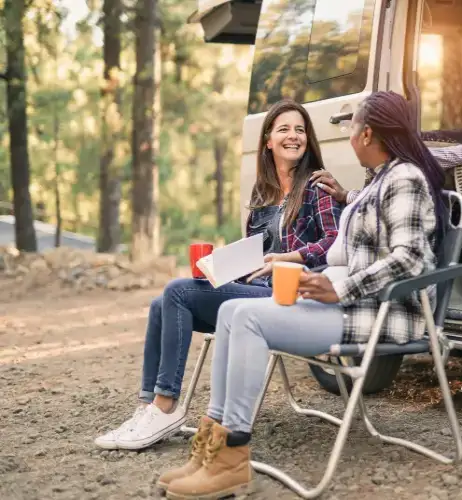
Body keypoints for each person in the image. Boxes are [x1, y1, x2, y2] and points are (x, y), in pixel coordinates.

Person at [156, 91, 448, 499]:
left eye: (350, 128)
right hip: (348, 301)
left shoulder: (405, 179)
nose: (347, 136)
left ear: (366, 133)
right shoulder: (380, 180)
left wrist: (336, 285)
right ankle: (212, 450)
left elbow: (412, 258)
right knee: (232, 312)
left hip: (377, 311)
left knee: (248, 317)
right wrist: (344, 207)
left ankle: (231, 458)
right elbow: (359, 237)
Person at [95, 100, 342, 451]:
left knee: (176, 292)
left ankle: (165, 406)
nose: (293, 136)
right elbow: (256, 253)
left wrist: (292, 256)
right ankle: (148, 407)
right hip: (255, 290)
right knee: (160, 303)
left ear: (308, 139)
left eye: (300, 130)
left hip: (289, 296)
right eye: (284, 129)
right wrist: (222, 266)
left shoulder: (318, 187)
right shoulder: (264, 193)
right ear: (268, 141)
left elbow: (334, 243)